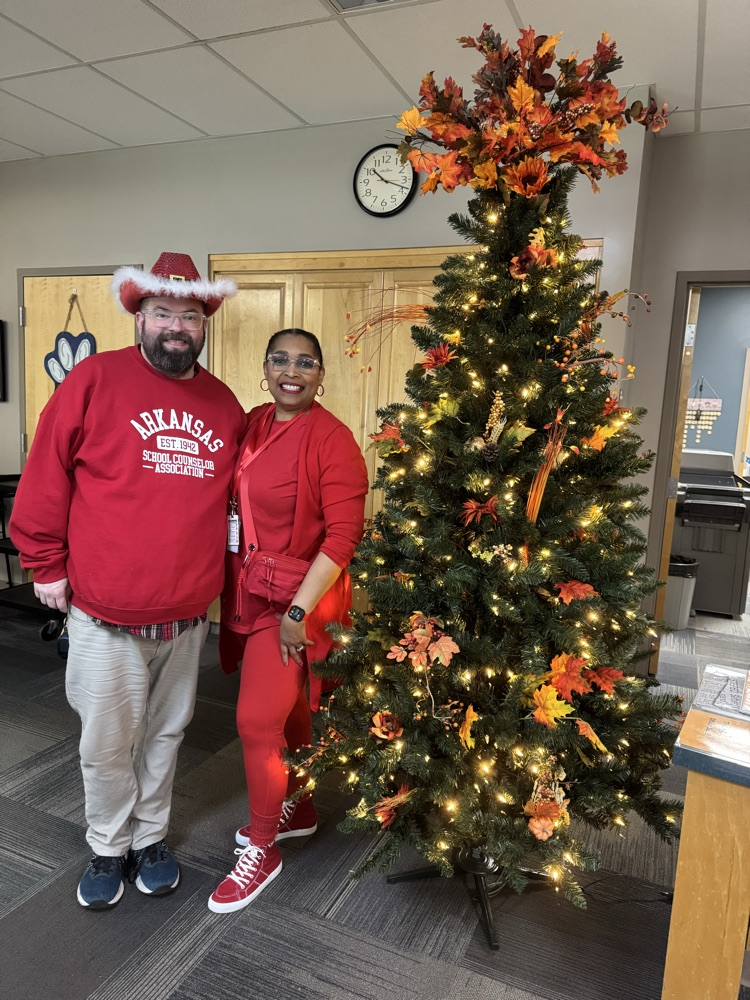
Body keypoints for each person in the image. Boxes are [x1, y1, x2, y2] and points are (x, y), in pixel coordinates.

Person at [10, 252, 247, 910]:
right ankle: (107, 844)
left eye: (190, 316)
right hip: (104, 614)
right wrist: (46, 564)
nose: (177, 326)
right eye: (163, 313)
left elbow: (234, 505)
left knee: (167, 735)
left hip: (185, 617)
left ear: (205, 324)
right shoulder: (93, 379)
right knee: (108, 743)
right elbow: (45, 477)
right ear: (138, 316)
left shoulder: (223, 404)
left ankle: (150, 837)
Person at [208, 328, 368, 913]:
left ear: (322, 375)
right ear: (266, 369)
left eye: (305, 362)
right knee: (289, 710)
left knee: (255, 723)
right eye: (280, 359)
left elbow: (344, 537)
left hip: (295, 601)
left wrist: (298, 611)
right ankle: (297, 807)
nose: (291, 370)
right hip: (251, 591)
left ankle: (264, 849)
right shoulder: (253, 422)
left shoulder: (332, 439)